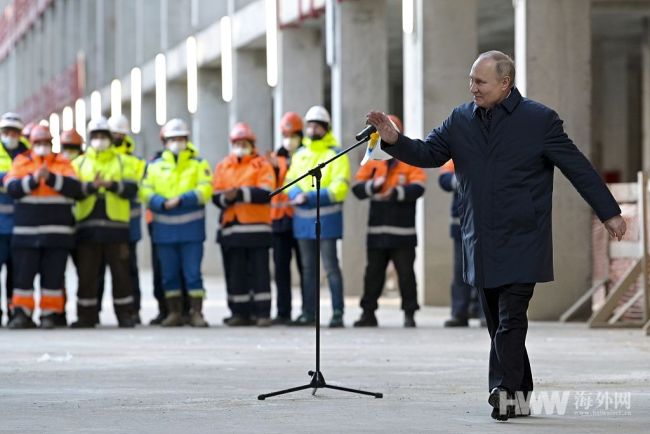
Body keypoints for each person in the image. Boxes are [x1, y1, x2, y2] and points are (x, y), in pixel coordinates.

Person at [366, 50, 626, 421]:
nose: (472, 88)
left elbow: (577, 168)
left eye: (480, 82)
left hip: (523, 236)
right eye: (471, 80)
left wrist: (610, 212)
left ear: (505, 83)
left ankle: (503, 392)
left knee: (510, 319)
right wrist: (395, 141)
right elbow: (429, 153)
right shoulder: (460, 119)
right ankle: (520, 395)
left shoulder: (540, 121)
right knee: (498, 325)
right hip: (480, 239)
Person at [351, 114, 426, 328]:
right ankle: (368, 313)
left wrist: (394, 192)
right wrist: (374, 186)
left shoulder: (409, 157)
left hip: (403, 232)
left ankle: (409, 314)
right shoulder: (372, 158)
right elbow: (357, 188)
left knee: (406, 275)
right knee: (372, 274)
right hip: (377, 231)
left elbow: (419, 187)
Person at [3, 125, 81, 329]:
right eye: (38, 143)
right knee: (23, 278)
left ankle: (50, 314)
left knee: (53, 279)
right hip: (26, 234)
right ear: (31, 143)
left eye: (46, 143)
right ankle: (22, 314)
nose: (42, 147)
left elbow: (75, 188)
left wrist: (51, 178)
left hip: (57, 234)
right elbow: (12, 188)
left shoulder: (62, 163)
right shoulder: (21, 162)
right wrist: (35, 179)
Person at [141, 118, 212, 327]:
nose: (177, 142)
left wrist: (183, 199)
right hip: (164, 231)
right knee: (169, 274)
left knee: (193, 275)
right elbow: (145, 190)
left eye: (181, 138)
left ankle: (196, 313)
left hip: (191, 232)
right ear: (164, 141)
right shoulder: (154, 166)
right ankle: (174, 312)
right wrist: (160, 202)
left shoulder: (198, 163)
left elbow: (206, 189)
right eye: (173, 139)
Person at [285, 105, 350, 328]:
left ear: (325, 127)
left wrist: (310, 197)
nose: (312, 129)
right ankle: (308, 312)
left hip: (327, 220)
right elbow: (288, 181)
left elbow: (339, 188)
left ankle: (338, 312)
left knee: (331, 267)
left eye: (316, 125)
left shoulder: (336, 154)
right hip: (302, 221)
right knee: (308, 269)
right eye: (309, 125)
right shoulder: (300, 154)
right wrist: (295, 193)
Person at [71, 117, 139, 328]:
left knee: (121, 274)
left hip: (116, 229)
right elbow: (72, 190)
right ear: (90, 139)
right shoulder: (78, 163)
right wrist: (92, 187)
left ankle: (125, 315)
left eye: (103, 136)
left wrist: (111, 185)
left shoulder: (122, 162)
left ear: (110, 138)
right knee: (87, 275)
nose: (99, 140)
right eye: (96, 137)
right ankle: (86, 315)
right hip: (87, 228)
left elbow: (132, 188)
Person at [213, 122, 275, 327]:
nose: (241, 146)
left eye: (244, 142)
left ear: (252, 143)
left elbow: (266, 192)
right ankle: (239, 313)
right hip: (231, 230)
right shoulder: (224, 166)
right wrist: (227, 198)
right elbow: (216, 195)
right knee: (235, 274)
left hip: (257, 230)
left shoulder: (261, 164)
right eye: (237, 143)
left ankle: (262, 313)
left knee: (260, 274)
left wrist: (238, 193)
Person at [94, 115, 146, 324]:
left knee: (128, 271)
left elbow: (138, 189)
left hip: (127, 225)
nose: (116, 137)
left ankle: (132, 310)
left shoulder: (132, 162)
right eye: (113, 133)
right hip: (100, 224)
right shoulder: (97, 157)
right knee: (96, 271)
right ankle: (92, 310)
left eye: (119, 134)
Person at [267, 111, 305, 325]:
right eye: (286, 134)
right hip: (280, 221)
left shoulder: (307, 155)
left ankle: (308, 310)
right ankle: (283, 312)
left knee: (305, 269)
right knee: (281, 270)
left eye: (293, 134)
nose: (289, 139)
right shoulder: (275, 158)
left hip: (300, 219)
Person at [439, 159, 483, 327]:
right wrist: (467, 180)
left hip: (486, 225)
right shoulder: (457, 151)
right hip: (461, 224)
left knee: (484, 271)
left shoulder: (490, 148)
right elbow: (444, 179)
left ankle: (484, 314)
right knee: (460, 271)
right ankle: (459, 313)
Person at [0, 112, 30, 325]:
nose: (10, 135)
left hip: (21, 225)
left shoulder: (29, 154)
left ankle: (15, 312)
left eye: (14, 132)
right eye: (6, 131)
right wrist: (14, 181)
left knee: (17, 274)